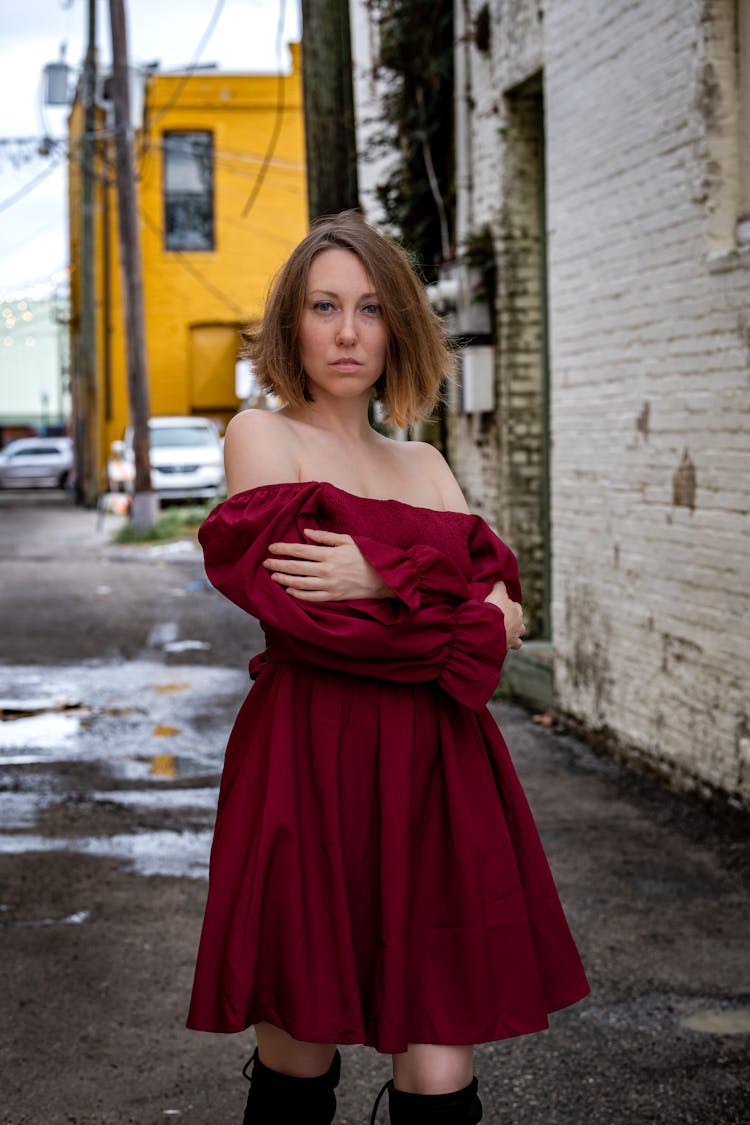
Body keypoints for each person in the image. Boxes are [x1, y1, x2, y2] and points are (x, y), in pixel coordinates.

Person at [187, 211, 589, 1124]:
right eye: (325, 305)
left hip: (439, 774)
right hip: (310, 760)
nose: (347, 331)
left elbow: (503, 614)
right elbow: (310, 615)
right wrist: (454, 601)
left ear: (397, 325)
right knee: (297, 1056)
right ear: (293, 321)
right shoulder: (262, 437)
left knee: (441, 1074)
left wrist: (377, 570)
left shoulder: (425, 459)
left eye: (371, 308)